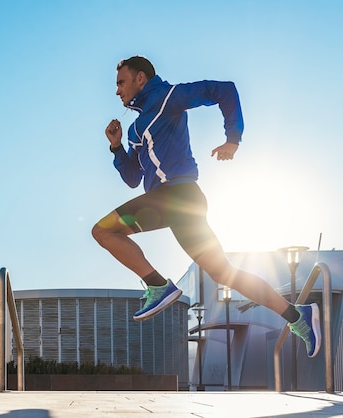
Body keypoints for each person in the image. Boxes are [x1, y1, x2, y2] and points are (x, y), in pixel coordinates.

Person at [91, 55, 321, 358]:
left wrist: (233, 139)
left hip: (179, 196)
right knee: (225, 273)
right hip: (174, 205)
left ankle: (158, 285)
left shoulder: (167, 97)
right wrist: (117, 146)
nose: (117, 91)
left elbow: (223, 89)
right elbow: (133, 178)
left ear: (140, 78)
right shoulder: (136, 130)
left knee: (103, 231)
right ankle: (297, 316)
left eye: (121, 82)